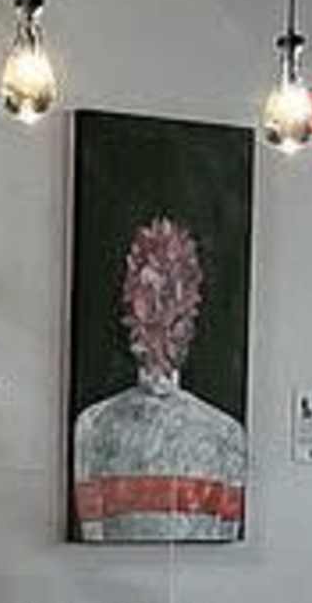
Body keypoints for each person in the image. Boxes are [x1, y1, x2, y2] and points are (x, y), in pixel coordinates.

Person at [72, 216, 244, 542]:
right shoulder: (92, 426)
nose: (156, 311)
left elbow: (224, 537)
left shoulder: (227, 436)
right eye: (148, 297)